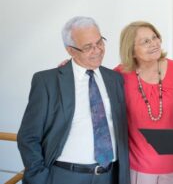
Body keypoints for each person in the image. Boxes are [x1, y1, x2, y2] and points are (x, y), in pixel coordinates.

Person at [17, 16, 130, 184]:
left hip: (109, 176)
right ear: (70, 50)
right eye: (88, 47)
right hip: (65, 176)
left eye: (100, 42)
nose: (97, 50)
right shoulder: (47, 82)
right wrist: (39, 177)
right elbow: (28, 136)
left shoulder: (115, 79)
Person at [114, 21, 173, 184]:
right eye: (145, 41)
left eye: (154, 37)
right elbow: (96, 88)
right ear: (131, 51)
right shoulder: (119, 75)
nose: (154, 44)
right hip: (139, 165)